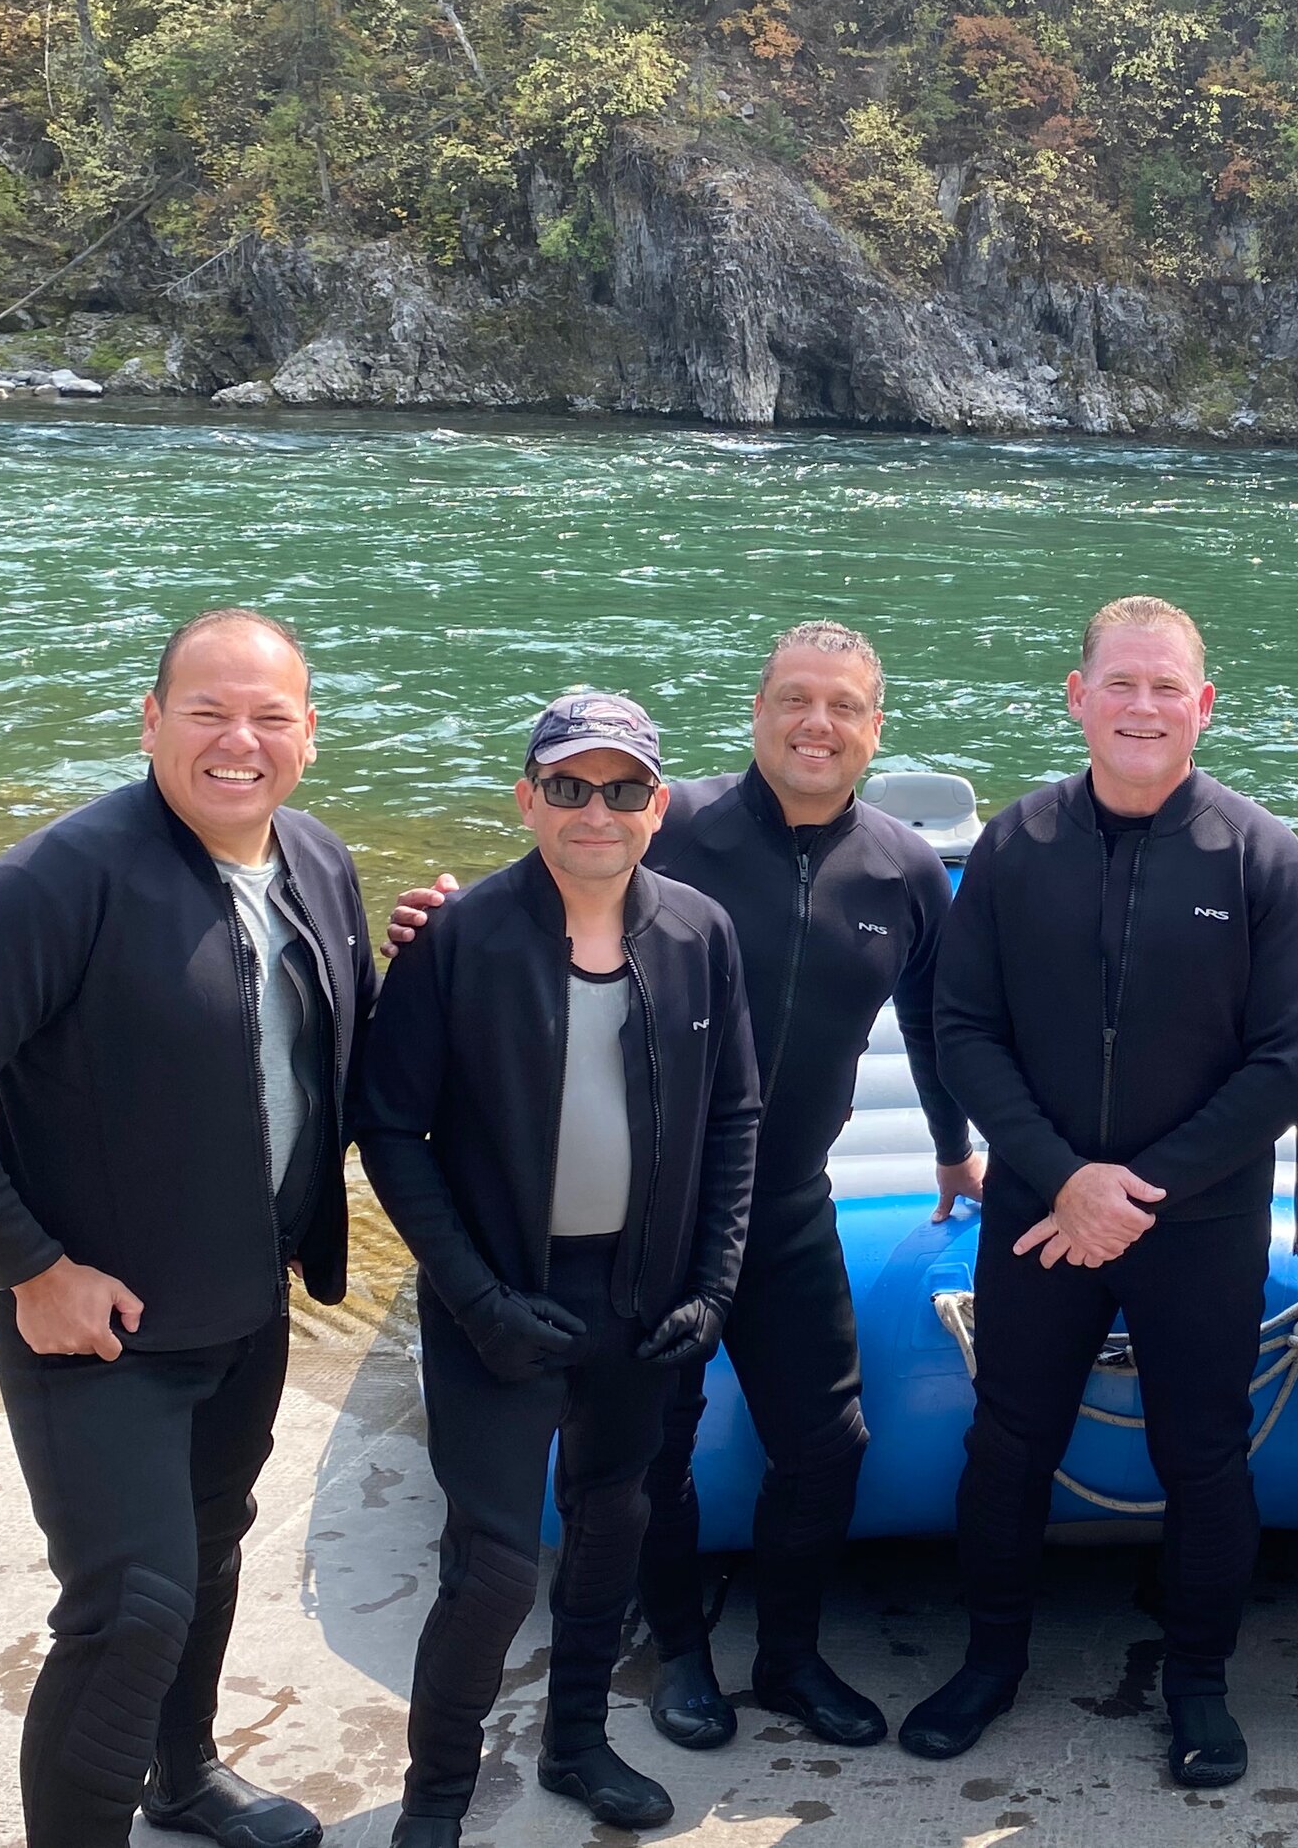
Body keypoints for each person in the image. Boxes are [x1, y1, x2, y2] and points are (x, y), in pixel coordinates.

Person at [384, 621, 979, 1751]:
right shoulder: (677, 823)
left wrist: (952, 1148)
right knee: (657, 1443)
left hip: (785, 1193)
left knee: (829, 1443)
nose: (817, 723)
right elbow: (556, 891)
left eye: (843, 705)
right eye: (794, 699)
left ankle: (793, 1658)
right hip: (650, 1214)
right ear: (755, 711)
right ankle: (680, 1654)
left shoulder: (903, 866)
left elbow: (934, 1025)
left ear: (874, 729)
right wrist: (439, 921)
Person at [0, 608, 373, 1848]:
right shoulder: (62, 879)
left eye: (270, 716)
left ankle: (186, 1776)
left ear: (309, 736)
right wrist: (30, 1269)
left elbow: (341, 1059)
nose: (240, 741)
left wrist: (447, 953)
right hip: (95, 1328)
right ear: (151, 720)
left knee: (213, 1551)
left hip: (244, 1298)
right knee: (129, 1609)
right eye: (208, 710)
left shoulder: (319, 864)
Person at [904, 595, 1298, 1785]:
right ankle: (990, 1660)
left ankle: (1197, 1682)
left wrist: (1134, 1189)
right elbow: (964, 1026)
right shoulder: (1015, 843)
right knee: (1008, 1442)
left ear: (1202, 707)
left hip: (1196, 1220)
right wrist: (1061, 1176)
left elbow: (1289, 1062)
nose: (1143, 707)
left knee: (1205, 1454)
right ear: (1077, 695)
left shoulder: (1259, 855)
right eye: (1121, 684)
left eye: (1166, 689)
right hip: (1041, 1208)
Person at [353, 693, 760, 1845]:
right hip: (495, 1300)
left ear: (658, 807)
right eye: (570, 787)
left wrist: (716, 1283)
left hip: (638, 1296)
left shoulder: (698, 934)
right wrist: (476, 1299)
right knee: (485, 1568)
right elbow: (388, 1128)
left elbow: (736, 1112)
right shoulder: (461, 940)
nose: (597, 811)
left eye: (623, 789)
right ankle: (434, 1801)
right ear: (528, 797)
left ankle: (576, 1742)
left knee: (611, 1525)